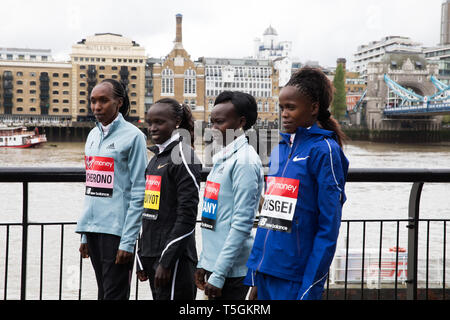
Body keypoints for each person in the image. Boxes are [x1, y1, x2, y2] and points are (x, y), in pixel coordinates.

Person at [245, 67, 349, 300]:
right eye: (281, 107)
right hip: (266, 272)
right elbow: (270, 217)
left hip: (294, 277)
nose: (284, 114)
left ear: (313, 108)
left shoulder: (325, 151)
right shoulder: (280, 149)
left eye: (291, 107)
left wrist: (310, 288)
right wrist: (255, 277)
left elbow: (328, 227)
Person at [76, 79, 148, 300]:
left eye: (104, 101)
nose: (97, 107)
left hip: (117, 231)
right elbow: (92, 186)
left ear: (119, 103)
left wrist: (128, 240)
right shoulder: (92, 136)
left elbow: (139, 191)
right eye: (93, 101)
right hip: (93, 229)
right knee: (102, 292)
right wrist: (84, 235)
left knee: (115, 295)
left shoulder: (134, 136)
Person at [195, 91, 264, 300]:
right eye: (211, 122)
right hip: (214, 265)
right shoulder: (223, 158)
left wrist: (219, 274)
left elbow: (242, 224)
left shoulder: (244, 162)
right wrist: (203, 263)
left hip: (230, 272)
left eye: (220, 123)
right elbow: (213, 217)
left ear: (241, 122)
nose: (213, 129)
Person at [136, 98, 202, 300]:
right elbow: (148, 210)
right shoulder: (156, 158)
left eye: (159, 122)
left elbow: (187, 216)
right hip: (151, 256)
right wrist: (141, 255)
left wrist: (166, 261)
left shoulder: (184, 157)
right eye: (149, 122)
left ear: (176, 123)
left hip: (175, 261)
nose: (152, 128)